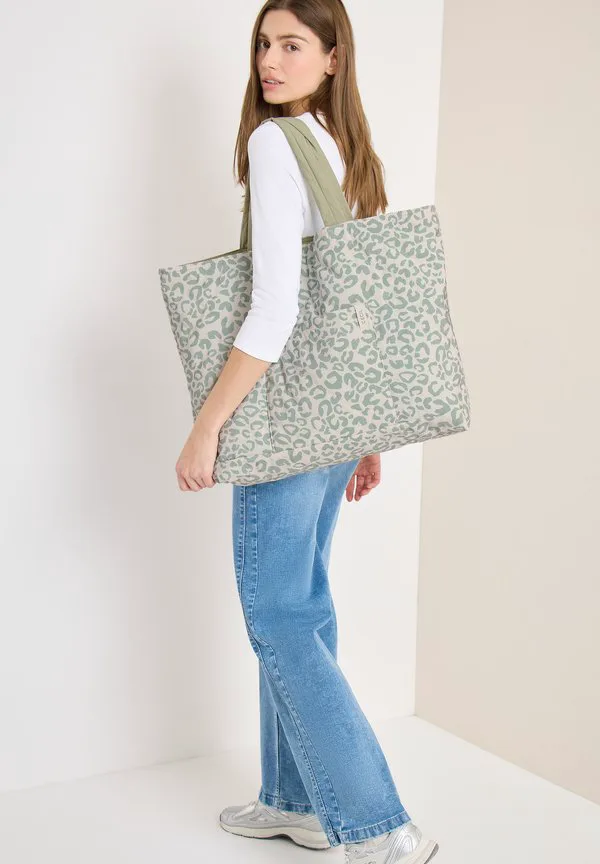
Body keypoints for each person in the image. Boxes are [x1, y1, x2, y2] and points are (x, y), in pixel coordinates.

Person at [175, 2, 439, 862]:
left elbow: (279, 308)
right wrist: (363, 432)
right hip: (329, 425)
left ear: (332, 57)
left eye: (292, 44)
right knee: (305, 608)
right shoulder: (339, 145)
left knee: (280, 617)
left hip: (286, 422)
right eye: (264, 43)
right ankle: (296, 803)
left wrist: (208, 425)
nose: (270, 59)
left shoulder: (273, 141)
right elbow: (351, 312)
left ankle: (377, 824)